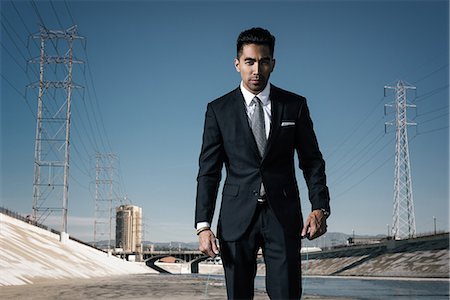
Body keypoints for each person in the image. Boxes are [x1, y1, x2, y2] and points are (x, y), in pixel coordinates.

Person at [194, 27, 330, 299]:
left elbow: (312, 161)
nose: (257, 69)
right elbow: (209, 172)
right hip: (236, 218)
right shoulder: (218, 110)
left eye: (264, 61)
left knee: (287, 294)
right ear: (237, 64)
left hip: (282, 217)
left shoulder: (295, 105)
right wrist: (203, 225)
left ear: (273, 64)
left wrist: (320, 207)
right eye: (250, 61)